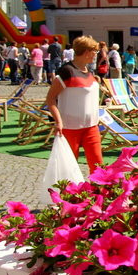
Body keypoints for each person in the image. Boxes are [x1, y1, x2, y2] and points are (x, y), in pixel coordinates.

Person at [45, 36, 103, 173]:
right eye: (95, 51)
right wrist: (58, 122)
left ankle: (99, 193)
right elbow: (50, 99)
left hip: (92, 126)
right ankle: (69, 193)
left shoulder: (88, 71)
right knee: (68, 168)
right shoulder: (67, 72)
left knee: (98, 166)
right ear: (87, 52)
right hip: (70, 127)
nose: (96, 54)